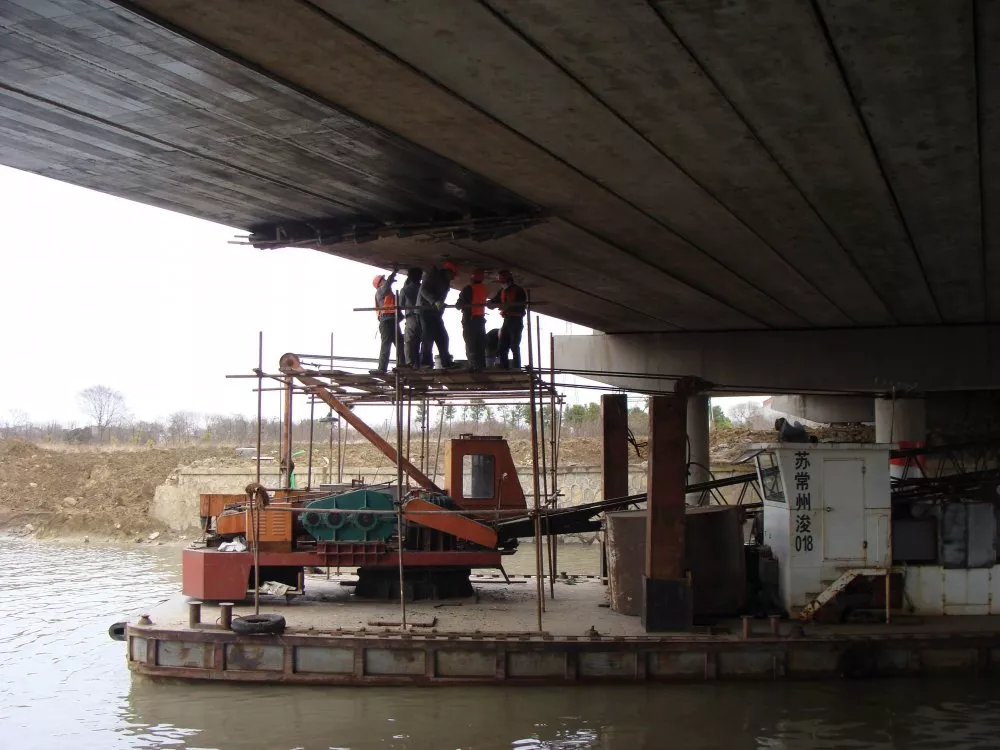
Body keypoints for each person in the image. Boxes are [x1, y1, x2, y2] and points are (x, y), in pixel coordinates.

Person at [418, 260, 457, 368]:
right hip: (426, 311)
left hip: (435, 313)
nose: (453, 277)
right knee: (428, 338)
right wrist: (435, 301)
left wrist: (440, 305)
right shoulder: (433, 276)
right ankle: (425, 363)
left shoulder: (445, 281)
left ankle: (446, 362)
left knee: (443, 337)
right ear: (447, 272)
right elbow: (423, 290)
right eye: (452, 274)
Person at [487, 269, 526, 369]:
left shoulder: (518, 290)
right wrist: (490, 303)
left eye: (503, 282)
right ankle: (503, 367)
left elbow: (521, 306)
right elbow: (495, 300)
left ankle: (516, 368)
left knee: (514, 346)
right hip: (507, 320)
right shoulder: (502, 291)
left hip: (516, 321)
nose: (502, 284)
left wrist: (507, 307)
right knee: (502, 347)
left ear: (509, 281)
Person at [457, 268, 488, 370]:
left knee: (471, 345)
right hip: (480, 320)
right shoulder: (483, 289)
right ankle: (481, 367)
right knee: (480, 345)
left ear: (472, 279)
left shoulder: (468, 289)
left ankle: (473, 366)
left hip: (470, 320)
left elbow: (459, 305)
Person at [372, 269, 400, 374]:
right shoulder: (380, 291)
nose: (384, 280)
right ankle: (382, 368)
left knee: (400, 344)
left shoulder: (389, 293)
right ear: (380, 283)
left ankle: (402, 365)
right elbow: (387, 285)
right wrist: (393, 274)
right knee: (386, 344)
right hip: (386, 321)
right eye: (383, 279)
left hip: (393, 320)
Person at [399, 267, 423, 367]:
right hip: (422, 317)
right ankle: (418, 363)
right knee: (419, 341)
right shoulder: (422, 288)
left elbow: (400, 305)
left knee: (409, 341)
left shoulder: (405, 289)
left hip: (411, 317)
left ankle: (409, 363)